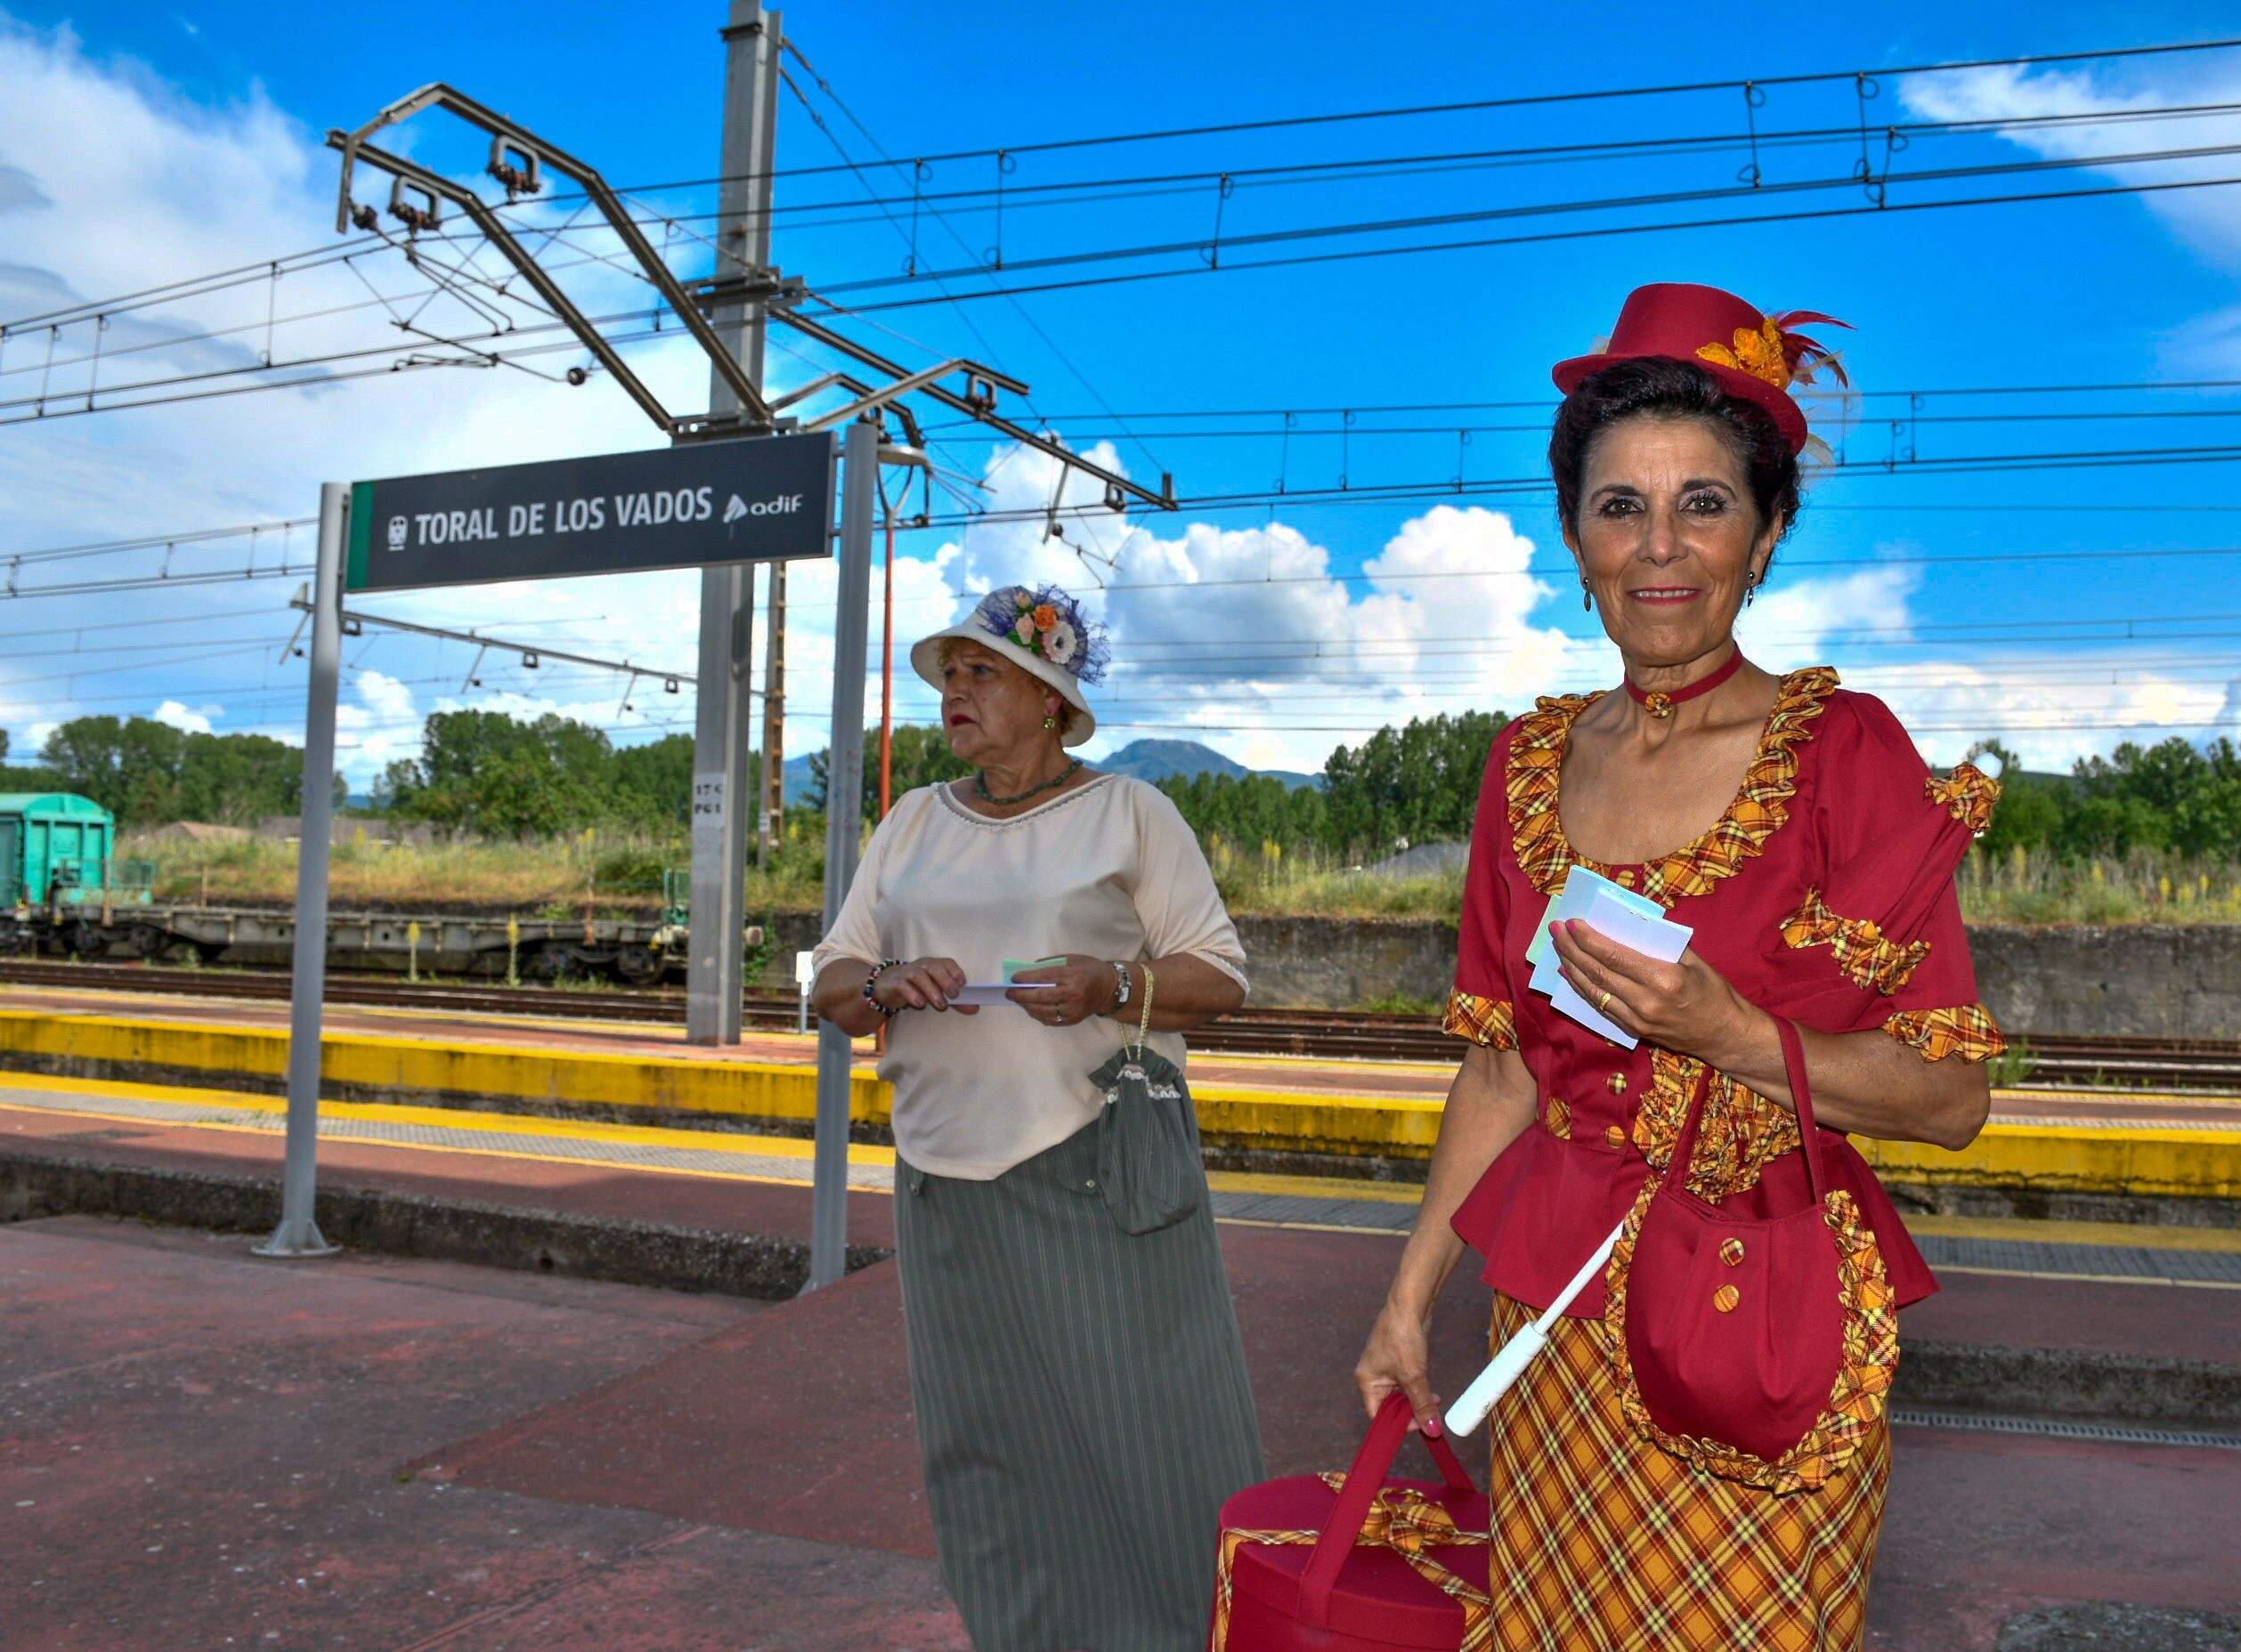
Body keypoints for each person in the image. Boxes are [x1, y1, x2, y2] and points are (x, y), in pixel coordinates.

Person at [1353, 283, 2004, 1650]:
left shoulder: (1845, 756)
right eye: (1619, 506)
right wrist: (1409, 1298)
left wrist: (1733, 1031)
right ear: (1574, 538)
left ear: (1765, 538)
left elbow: (1949, 1101)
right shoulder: (1525, 764)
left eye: (1704, 505)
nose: (1661, 548)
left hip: (1758, 1318)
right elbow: (1501, 1063)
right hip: (1554, 1326)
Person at [811, 583, 1263, 1651]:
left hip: (1094, 1171)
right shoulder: (915, 818)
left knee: (1141, 1434)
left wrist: (1113, 983)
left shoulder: (1129, 813)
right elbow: (829, 985)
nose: (955, 692)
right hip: (942, 1184)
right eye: (950, 674)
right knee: (989, 1450)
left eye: (982, 672)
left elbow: (1223, 976)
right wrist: (884, 980)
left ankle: (1185, 1634)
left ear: (1050, 699)